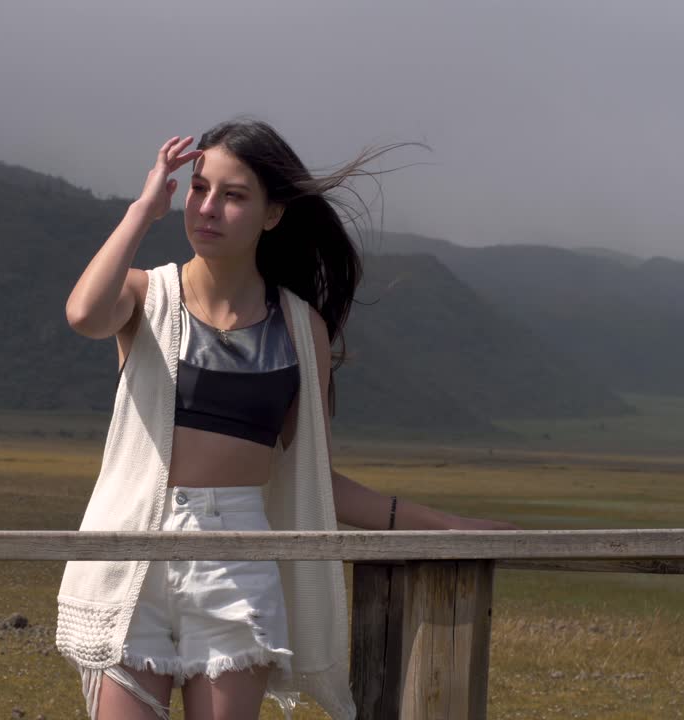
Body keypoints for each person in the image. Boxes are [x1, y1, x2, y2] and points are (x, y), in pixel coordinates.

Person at [54, 119, 519, 720]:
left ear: (272, 214)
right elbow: (84, 314)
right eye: (198, 188)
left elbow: (313, 479)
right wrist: (145, 208)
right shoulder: (148, 297)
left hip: (238, 558)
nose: (208, 207)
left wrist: (445, 527)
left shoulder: (302, 329)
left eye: (233, 194)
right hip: (131, 558)